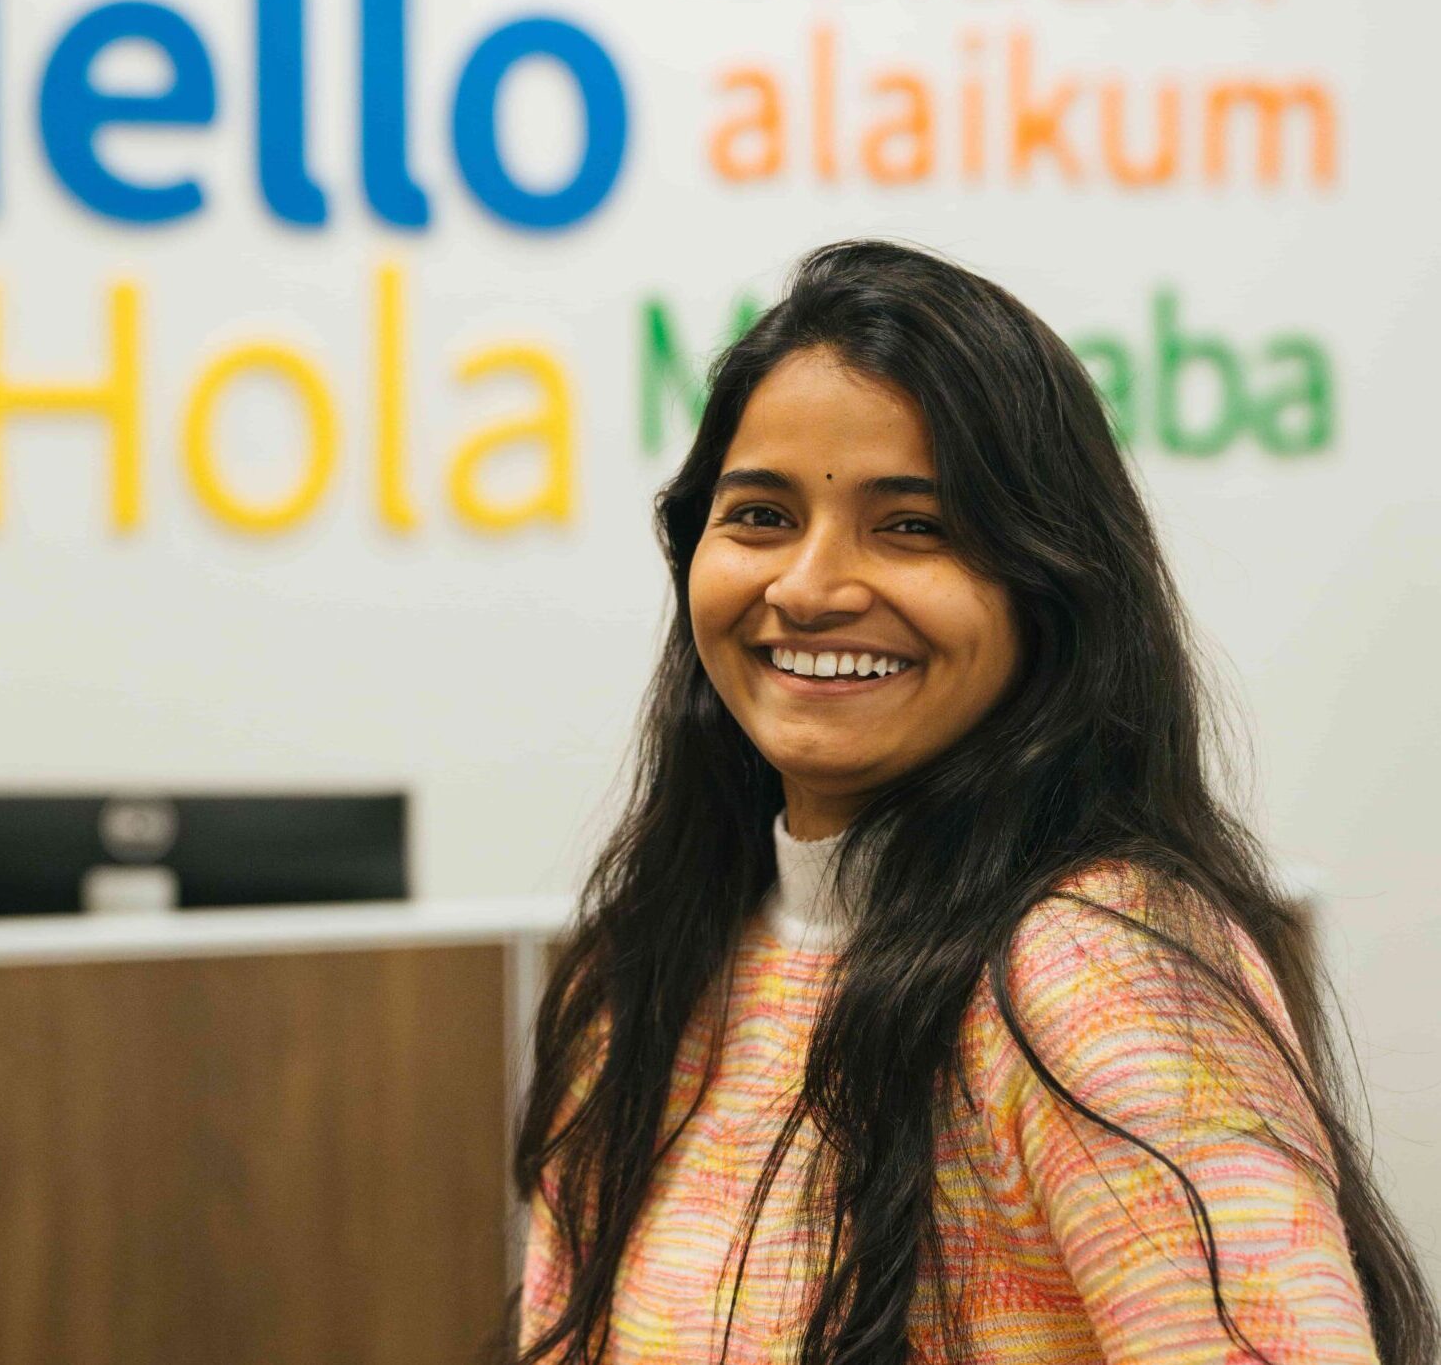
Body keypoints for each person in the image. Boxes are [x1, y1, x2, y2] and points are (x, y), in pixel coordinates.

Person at [510, 240, 1437, 1365]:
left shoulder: (1096, 972)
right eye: (760, 515)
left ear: (1048, 587)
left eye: (915, 528)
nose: (808, 588)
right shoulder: (643, 970)